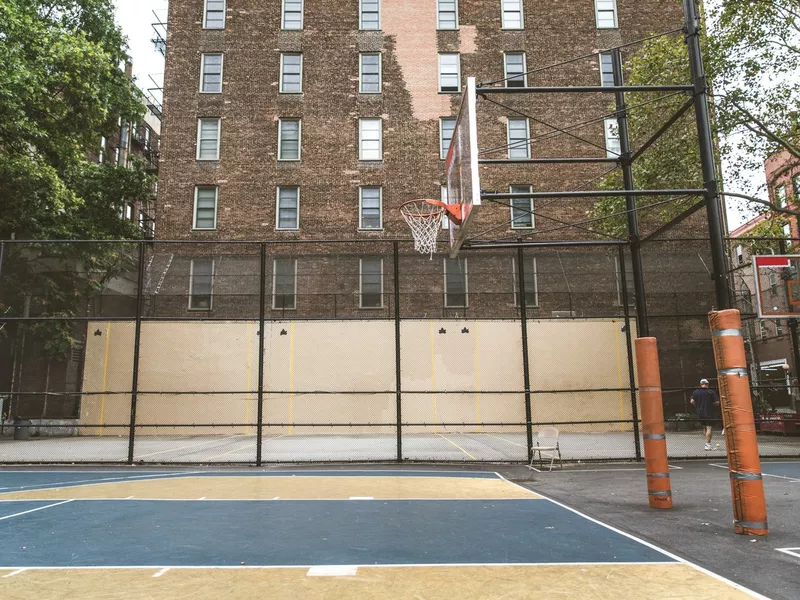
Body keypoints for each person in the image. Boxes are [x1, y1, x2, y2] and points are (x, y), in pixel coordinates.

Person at [691, 378, 721, 450]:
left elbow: (692, 401)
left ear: (701, 384)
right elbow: (717, 402)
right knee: (709, 427)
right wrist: (712, 405)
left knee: (704, 427)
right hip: (709, 412)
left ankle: (707, 443)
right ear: (707, 384)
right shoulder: (711, 392)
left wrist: (698, 406)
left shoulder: (696, 392)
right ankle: (708, 444)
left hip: (700, 412)